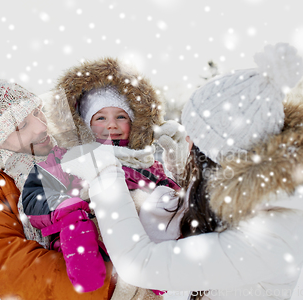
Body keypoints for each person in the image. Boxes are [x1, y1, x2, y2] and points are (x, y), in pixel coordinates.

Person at [60, 43, 303, 299]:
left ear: (215, 155)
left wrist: (104, 174)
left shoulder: (270, 238)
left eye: (195, 140)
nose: (187, 141)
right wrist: (179, 160)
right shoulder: (260, 190)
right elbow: (211, 200)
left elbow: (140, 263)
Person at [0, 71, 116, 300]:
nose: (41, 126)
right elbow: (8, 270)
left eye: (38, 111)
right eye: (21, 124)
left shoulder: (68, 156)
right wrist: (112, 284)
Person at [21, 57, 183, 300]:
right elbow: (34, 196)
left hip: (137, 238)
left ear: (135, 122)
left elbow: (171, 192)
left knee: (157, 205)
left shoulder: (144, 159)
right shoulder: (66, 158)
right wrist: (65, 208)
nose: (111, 126)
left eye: (121, 117)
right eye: (100, 118)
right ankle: (86, 263)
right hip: (87, 229)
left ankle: (155, 270)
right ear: (85, 124)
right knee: (78, 222)